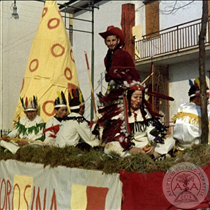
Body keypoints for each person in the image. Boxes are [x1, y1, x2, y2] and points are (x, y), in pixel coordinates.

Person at [104, 85, 175, 158]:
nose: (138, 101)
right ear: (128, 97)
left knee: (170, 140)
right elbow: (117, 135)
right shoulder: (120, 114)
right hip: (128, 147)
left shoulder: (145, 113)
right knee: (109, 147)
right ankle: (134, 157)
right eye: (135, 97)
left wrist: (153, 145)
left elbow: (152, 131)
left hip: (146, 145)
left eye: (140, 98)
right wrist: (131, 148)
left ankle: (152, 156)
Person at [172, 77, 210, 154]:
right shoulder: (204, 113)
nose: (208, 102)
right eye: (207, 99)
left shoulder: (182, 108)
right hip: (197, 153)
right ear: (199, 98)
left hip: (179, 151)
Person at [99, 25, 140, 90]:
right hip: (112, 88)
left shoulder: (125, 55)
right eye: (108, 41)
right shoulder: (106, 59)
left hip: (125, 87)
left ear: (118, 41)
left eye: (113, 40)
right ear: (105, 43)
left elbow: (133, 72)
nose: (111, 43)